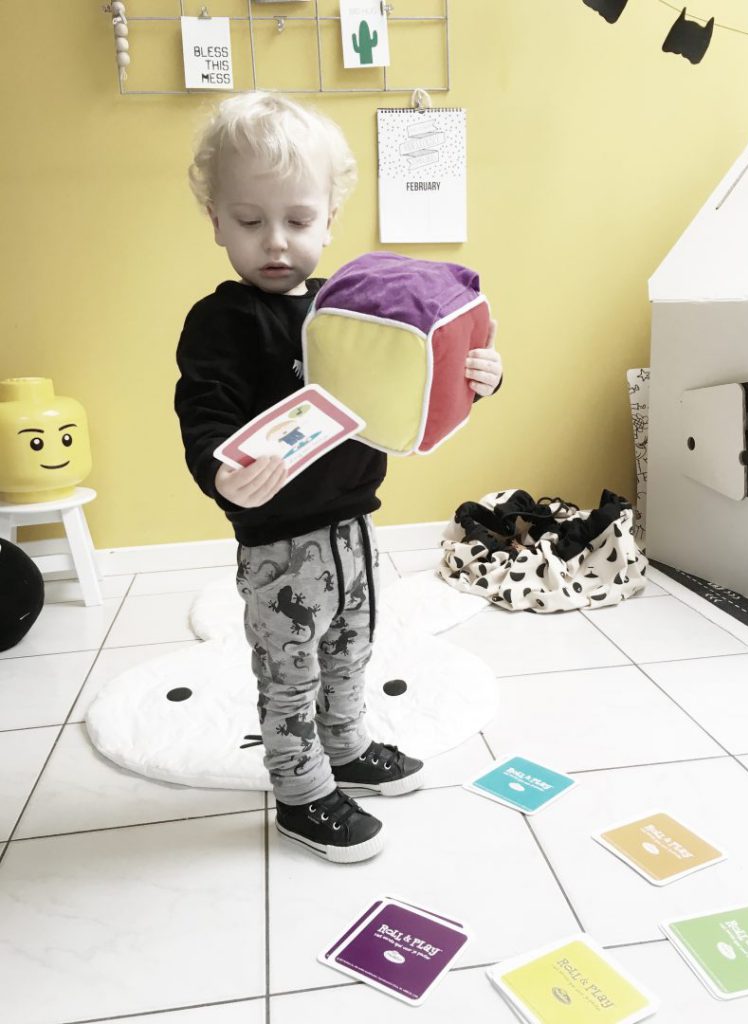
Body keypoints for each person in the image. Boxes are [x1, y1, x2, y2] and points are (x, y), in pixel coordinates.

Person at [175, 91, 503, 864]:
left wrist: (481, 375)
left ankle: (346, 746)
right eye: (249, 220)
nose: (275, 241)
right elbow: (204, 409)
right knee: (289, 671)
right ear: (216, 221)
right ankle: (299, 793)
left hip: (353, 524)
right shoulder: (222, 321)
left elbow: (414, 373)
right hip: (280, 542)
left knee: (351, 649)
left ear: (329, 220)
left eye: (297, 219)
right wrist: (222, 471)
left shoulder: (347, 308)